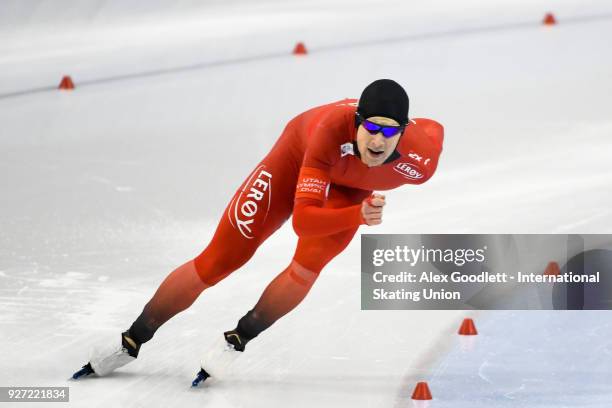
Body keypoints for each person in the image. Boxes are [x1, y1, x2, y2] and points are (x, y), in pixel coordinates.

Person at [72, 79, 444, 384]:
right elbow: (304, 221)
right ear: (358, 122)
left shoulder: (420, 161)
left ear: (404, 130)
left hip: (352, 188)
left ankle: (238, 339)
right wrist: (358, 217)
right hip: (298, 157)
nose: (378, 141)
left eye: (390, 131)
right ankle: (132, 338)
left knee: (308, 265)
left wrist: (353, 208)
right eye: (371, 128)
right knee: (221, 259)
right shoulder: (330, 131)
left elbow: (434, 129)